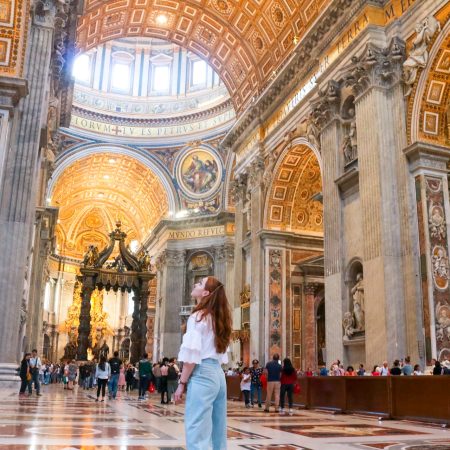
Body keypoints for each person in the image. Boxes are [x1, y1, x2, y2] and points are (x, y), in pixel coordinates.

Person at [174, 276, 232, 450]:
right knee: (218, 432)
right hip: (218, 375)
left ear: (206, 292)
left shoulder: (198, 317)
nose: (195, 284)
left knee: (197, 429)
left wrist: (181, 383)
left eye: (199, 283)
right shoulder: (219, 318)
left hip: (203, 373)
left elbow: (192, 357)